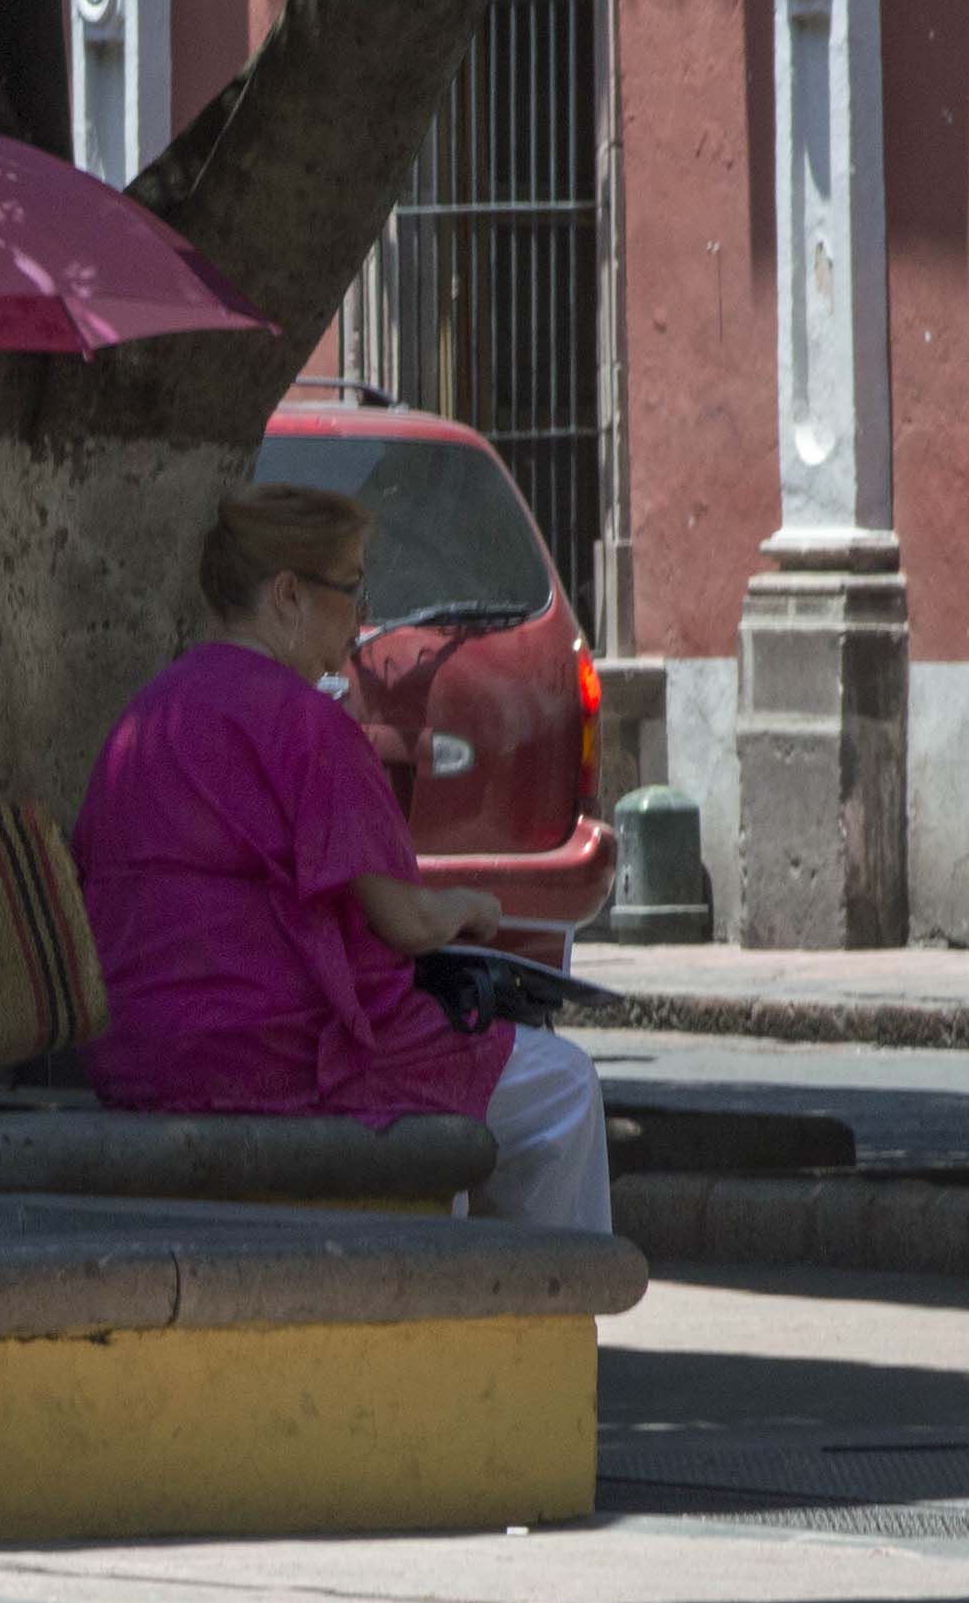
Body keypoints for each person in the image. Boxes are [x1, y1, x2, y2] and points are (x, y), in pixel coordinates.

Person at [69, 484, 612, 1233]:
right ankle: (550, 1298)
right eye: (352, 587)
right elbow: (406, 921)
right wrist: (472, 909)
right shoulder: (305, 724)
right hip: (277, 1056)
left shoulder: (145, 715)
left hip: (136, 1052)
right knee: (566, 1088)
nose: (362, 617)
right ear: (288, 594)